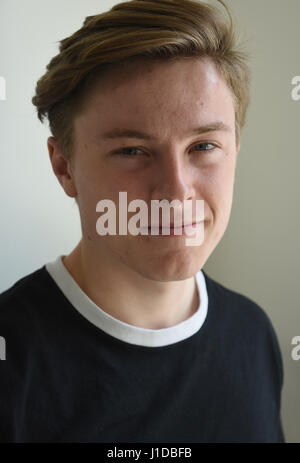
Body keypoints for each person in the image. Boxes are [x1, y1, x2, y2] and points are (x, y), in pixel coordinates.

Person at [0, 0, 285, 443]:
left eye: (204, 146)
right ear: (65, 167)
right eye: (132, 151)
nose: (175, 192)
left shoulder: (253, 333)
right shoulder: (12, 360)